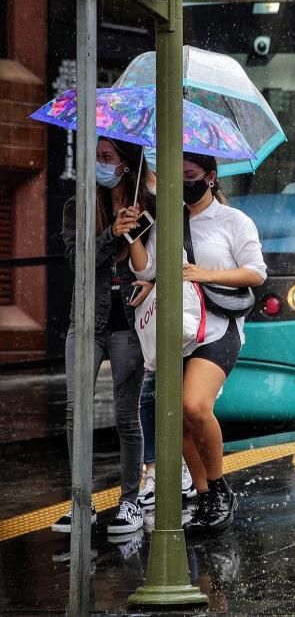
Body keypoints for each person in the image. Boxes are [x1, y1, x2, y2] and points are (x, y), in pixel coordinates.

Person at [127, 152, 266, 534]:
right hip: (179, 329)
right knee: (176, 419)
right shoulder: (166, 220)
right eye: (178, 175)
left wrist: (202, 273)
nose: (184, 182)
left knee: (194, 405)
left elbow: (255, 273)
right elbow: (146, 270)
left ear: (210, 177)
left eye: (191, 175)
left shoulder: (233, 220)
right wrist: (131, 234)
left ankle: (219, 487)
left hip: (220, 326)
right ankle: (205, 495)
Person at [52, 136, 149, 536]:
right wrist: (111, 232)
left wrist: (136, 228)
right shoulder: (78, 206)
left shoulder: (149, 208)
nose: (101, 164)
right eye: (97, 157)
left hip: (127, 324)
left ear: (126, 164)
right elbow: (79, 262)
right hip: (86, 322)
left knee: (127, 416)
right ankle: (81, 503)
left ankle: (130, 501)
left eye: (108, 157)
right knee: (77, 412)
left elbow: (152, 268)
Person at [130, 146, 198, 511]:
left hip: (188, 311)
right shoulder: (148, 207)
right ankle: (159, 470)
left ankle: (182, 470)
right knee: (150, 394)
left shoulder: (183, 207)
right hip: (162, 309)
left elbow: (185, 262)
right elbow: (142, 269)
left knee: (180, 398)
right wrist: (134, 231)